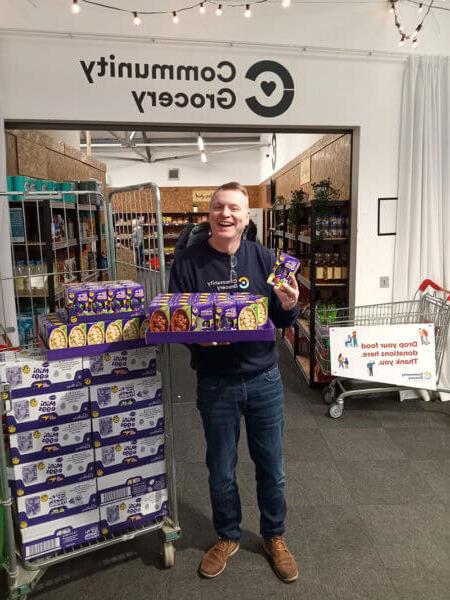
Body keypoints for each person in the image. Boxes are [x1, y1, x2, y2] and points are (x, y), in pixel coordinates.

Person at [169, 181, 300, 583]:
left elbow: (281, 321)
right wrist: (195, 336)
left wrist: (291, 306)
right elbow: (177, 320)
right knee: (220, 467)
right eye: (219, 207)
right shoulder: (187, 262)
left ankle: (274, 536)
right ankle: (227, 536)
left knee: (272, 466)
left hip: (264, 379)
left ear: (247, 217)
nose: (226, 215)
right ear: (208, 214)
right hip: (216, 383)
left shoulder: (267, 260)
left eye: (235, 209)